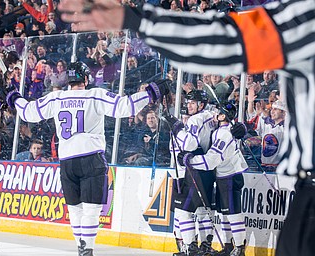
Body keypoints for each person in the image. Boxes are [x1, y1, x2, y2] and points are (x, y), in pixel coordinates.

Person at [58, 1, 315, 256]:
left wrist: (137, 19)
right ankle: (201, 245)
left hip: (293, 195)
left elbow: (227, 40)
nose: (190, 105)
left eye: (194, 102)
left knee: (211, 211)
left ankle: (219, 246)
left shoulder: (306, 17)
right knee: (200, 212)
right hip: (213, 173)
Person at [5, 61, 170, 256]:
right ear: (85, 79)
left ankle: (80, 248)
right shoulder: (95, 95)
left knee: (75, 209)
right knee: (91, 209)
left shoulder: (57, 97)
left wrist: (14, 98)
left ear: (68, 80)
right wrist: (151, 92)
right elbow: (126, 107)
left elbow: (28, 112)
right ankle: (88, 249)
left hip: (67, 162)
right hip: (91, 158)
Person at [178, 102, 248, 256]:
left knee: (233, 213)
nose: (214, 113)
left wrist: (189, 160)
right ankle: (229, 247)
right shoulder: (221, 130)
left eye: (218, 111)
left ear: (223, 116)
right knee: (225, 213)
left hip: (230, 176)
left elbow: (211, 161)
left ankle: (239, 250)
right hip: (224, 177)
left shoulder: (224, 134)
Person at [162, 90, 217, 256]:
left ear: (201, 104)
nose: (189, 105)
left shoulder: (196, 119)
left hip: (194, 170)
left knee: (184, 210)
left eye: (193, 102)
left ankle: (190, 247)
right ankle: (205, 246)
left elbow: (191, 144)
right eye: (189, 102)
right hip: (207, 170)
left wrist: (177, 128)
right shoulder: (210, 116)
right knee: (203, 209)